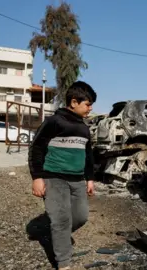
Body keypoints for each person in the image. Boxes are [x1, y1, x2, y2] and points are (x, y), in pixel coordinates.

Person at [28, 81, 97, 270]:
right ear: (74, 102)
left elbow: (88, 156)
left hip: (77, 180)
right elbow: (36, 149)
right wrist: (37, 178)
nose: (90, 108)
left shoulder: (84, 128)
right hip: (53, 178)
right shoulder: (54, 122)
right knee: (61, 219)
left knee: (81, 216)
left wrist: (90, 179)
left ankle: (58, 233)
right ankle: (64, 263)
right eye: (88, 104)